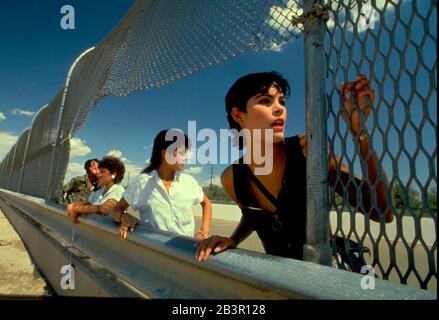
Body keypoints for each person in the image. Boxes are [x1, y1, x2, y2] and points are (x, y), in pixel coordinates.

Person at [196, 72, 393, 262]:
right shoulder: (232, 178)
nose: (279, 108)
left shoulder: (308, 151)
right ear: (238, 114)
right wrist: (233, 239)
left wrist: (360, 132)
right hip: (282, 284)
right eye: (265, 101)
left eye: (281, 101)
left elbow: (381, 213)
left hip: (327, 274)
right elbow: (252, 215)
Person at [110, 129, 212, 240]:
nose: (186, 157)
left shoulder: (189, 181)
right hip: (156, 253)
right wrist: (123, 216)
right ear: (165, 154)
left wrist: (204, 232)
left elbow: (206, 203)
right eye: (181, 152)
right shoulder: (141, 182)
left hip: (186, 252)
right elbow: (116, 209)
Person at [67, 156, 126, 224]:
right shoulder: (100, 190)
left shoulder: (118, 190)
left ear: (113, 174)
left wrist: (77, 209)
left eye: (102, 172)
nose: (98, 175)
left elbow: (105, 208)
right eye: (99, 172)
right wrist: (72, 205)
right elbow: (88, 202)